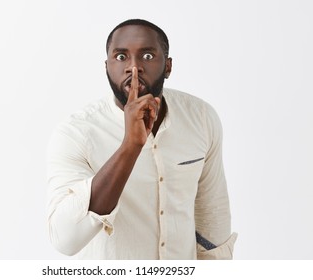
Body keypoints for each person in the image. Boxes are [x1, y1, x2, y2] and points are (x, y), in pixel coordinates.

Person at [47, 19, 237, 259]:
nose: (133, 68)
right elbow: (65, 239)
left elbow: (212, 216)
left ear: (167, 66)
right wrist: (130, 146)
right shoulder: (76, 133)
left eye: (147, 56)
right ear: (107, 67)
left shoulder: (201, 117)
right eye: (120, 57)